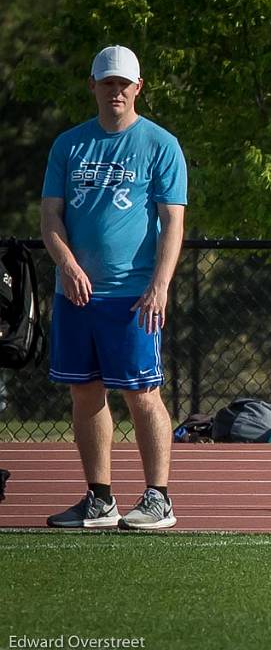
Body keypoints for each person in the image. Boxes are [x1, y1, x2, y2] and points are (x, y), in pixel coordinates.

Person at [41, 45, 187, 530]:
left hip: (133, 297)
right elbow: (50, 215)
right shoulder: (69, 145)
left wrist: (159, 285)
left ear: (138, 87)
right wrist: (66, 264)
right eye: (108, 82)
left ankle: (158, 499)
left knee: (142, 394)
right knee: (85, 393)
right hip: (77, 296)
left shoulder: (160, 144)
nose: (116, 90)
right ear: (93, 85)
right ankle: (99, 499)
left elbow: (172, 223)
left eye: (124, 83)